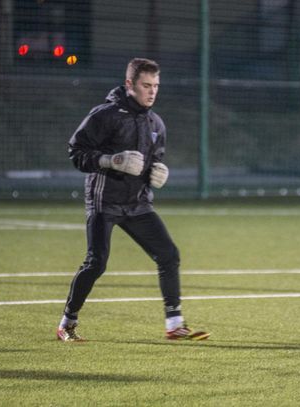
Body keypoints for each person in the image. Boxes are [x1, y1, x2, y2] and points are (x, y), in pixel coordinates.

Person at [56, 58, 209, 342]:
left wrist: (157, 173)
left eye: (156, 86)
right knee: (96, 263)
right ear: (129, 84)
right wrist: (110, 160)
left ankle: (174, 324)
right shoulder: (105, 115)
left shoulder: (155, 123)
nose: (152, 92)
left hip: (137, 204)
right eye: (146, 85)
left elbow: (153, 161)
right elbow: (76, 152)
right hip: (104, 202)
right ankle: (67, 322)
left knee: (168, 255)